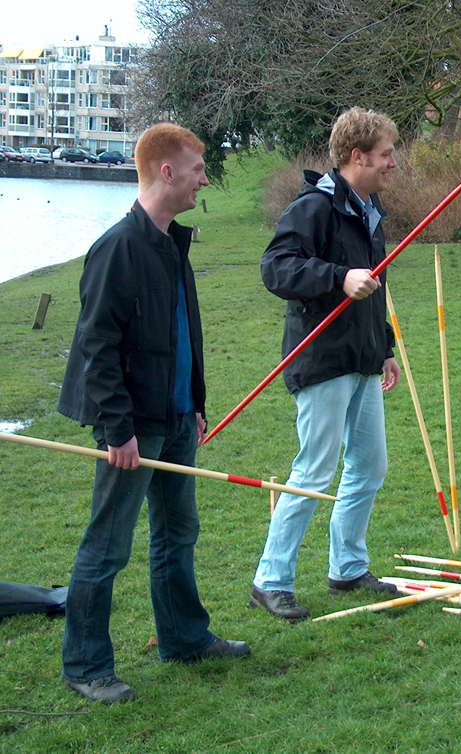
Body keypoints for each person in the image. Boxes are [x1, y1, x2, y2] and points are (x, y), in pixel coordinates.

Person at [58, 123, 250, 705]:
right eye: (196, 168)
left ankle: (185, 638)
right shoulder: (118, 247)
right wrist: (118, 428)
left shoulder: (173, 243)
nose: (203, 177)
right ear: (167, 171)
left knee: (178, 532)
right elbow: (97, 346)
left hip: (175, 418)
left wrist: (194, 403)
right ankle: (87, 665)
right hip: (132, 428)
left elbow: (181, 335)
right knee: (108, 544)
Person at [249, 107, 401, 622]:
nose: (392, 164)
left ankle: (348, 567)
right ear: (356, 157)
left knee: (370, 465)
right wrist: (338, 277)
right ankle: (270, 579)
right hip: (321, 358)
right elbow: (277, 267)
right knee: (314, 470)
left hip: (361, 358)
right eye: (385, 155)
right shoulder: (313, 207)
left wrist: (384, 348)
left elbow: (374, 287)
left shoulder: (368, 207)